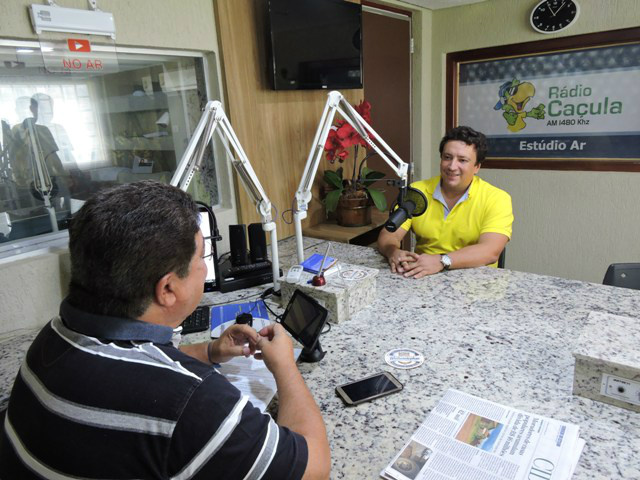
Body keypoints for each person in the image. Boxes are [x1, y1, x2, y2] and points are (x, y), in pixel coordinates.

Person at [0, 181, 330, 479]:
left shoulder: (54, 335)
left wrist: (208, 352)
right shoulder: (191, 403)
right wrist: (285, 366)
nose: (205, 267)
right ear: (168, 289)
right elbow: (313, 468)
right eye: (204, 256)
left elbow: (126, 374)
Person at [378, 126, 513, 278]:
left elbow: (490, 251)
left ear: (476, 167)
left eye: (462, 160)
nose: (452, 166)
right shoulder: (417, 192)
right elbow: (388, 234)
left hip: (476, 283)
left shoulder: (497, 198)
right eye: (447, 157)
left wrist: (442, 261)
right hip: (423, 276)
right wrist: (393, 252)